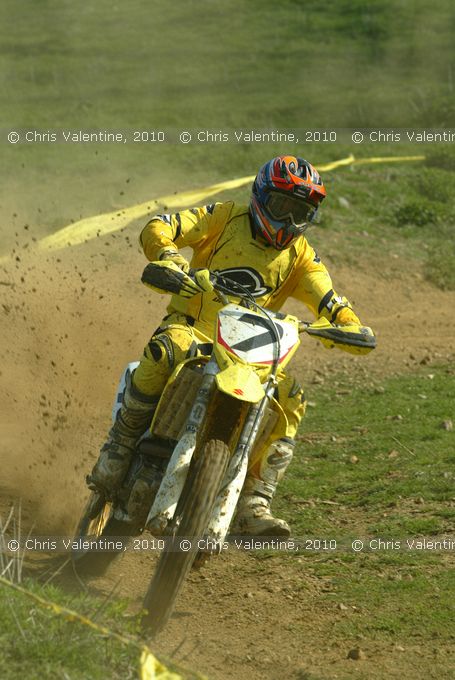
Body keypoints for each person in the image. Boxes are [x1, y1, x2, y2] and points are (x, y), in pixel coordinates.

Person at [89, 155, 372, 537]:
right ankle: (121, 443)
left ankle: (256, 499)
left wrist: (348, 325)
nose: (289, 222)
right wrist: (170, 258)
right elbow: (161, 226)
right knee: (166, 348)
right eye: (281, 207)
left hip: (251, 351)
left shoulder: (301, 255)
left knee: (291, 396)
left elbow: (330, 299)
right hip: (194, 329)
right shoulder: (223, 218)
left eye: (300, 213)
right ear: (260, 196)